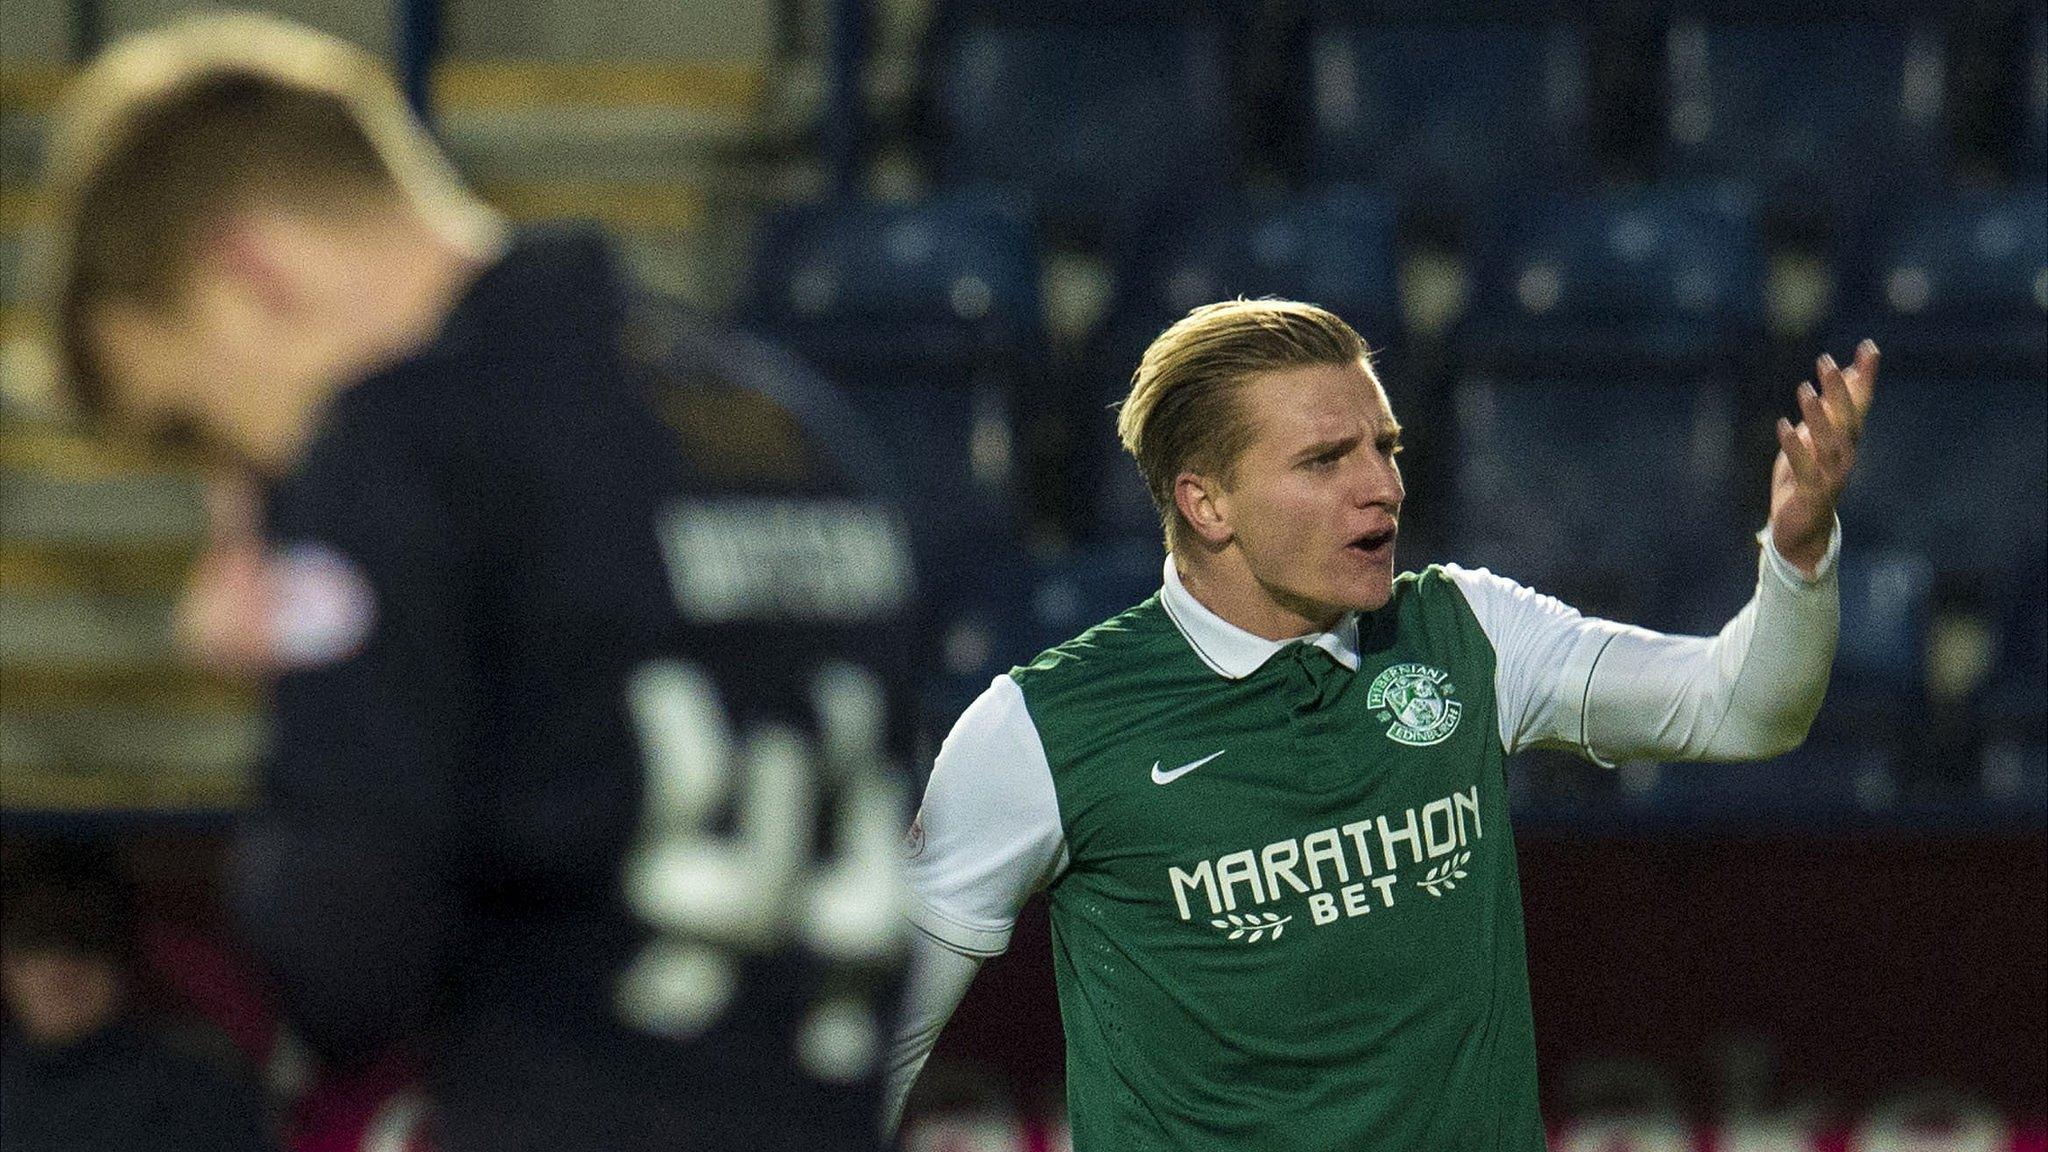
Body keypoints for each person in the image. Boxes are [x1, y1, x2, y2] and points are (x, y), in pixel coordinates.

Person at [23, 14, 922, 1151]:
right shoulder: (793, 426)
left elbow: (341, 961)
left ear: (253, 271)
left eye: (198, 428)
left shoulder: (401, 449)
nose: (232, 490)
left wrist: (300, 665)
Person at [886, 299, 1875, 1149]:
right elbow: (868, 1044)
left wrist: (1796, 553)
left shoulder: (1467, 632)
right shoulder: (1040, 728)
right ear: (1206, 502)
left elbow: (1740, 709)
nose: (1382, 487)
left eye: (1385, 446)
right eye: (1325, 459)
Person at [1, 843, 274, 1152]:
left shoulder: (194, 1095)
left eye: (86, 941)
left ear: (124, 959)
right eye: (34, 943)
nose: (59, 970)